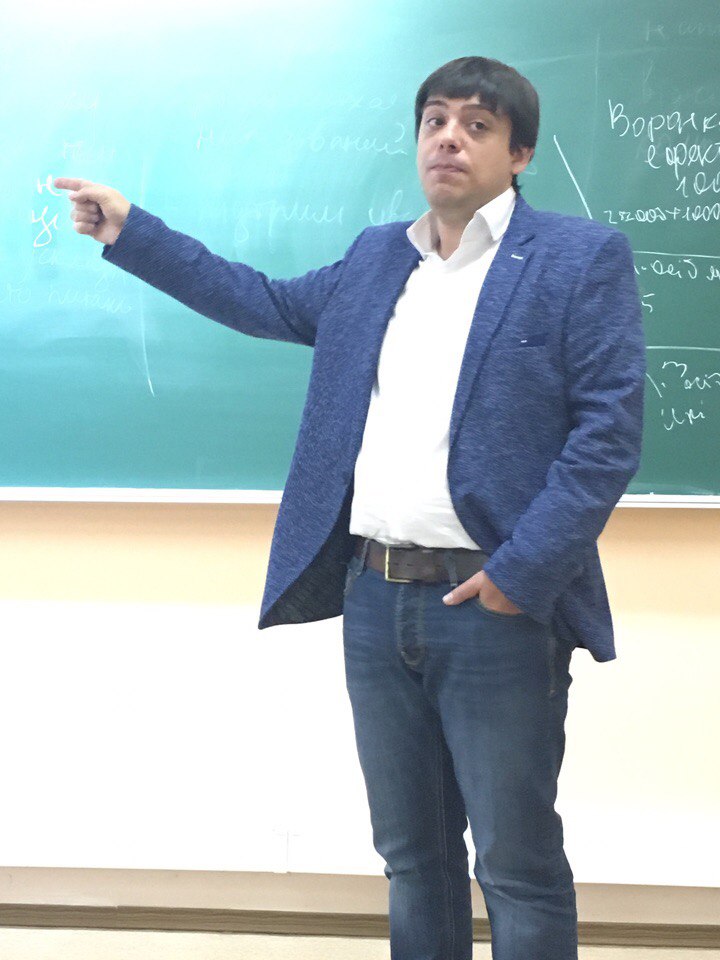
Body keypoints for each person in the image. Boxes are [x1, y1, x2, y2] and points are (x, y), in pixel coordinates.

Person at [55, 55, 645, 960]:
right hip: (375, 598)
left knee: (516, 862)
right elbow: (259, 300)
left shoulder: (577, 258)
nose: (449, 138)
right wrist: (135, 233)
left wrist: (520, 577)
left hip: (495, 607)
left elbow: (608, 435)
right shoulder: (378, 259)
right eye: (435, 120)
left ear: (520, 153)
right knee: (413, 859)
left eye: (478, 125)